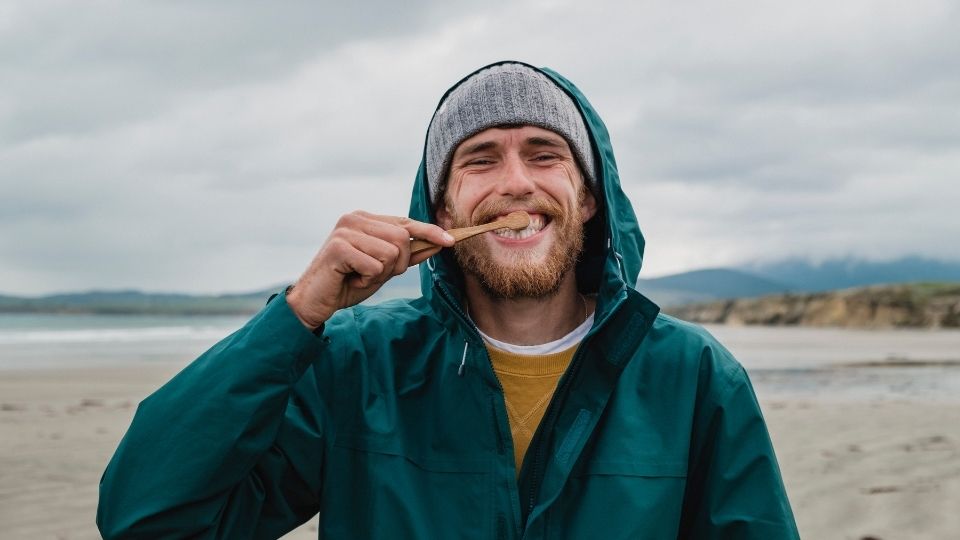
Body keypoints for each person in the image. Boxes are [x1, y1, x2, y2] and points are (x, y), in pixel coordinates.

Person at [97, 61, 799, 539]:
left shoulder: (693, 376)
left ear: (588, 200)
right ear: (441, 205)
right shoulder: (356, 364)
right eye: (481, 158)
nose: (516, 182)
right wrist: (298, 315)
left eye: (545, 153)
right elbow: (146, 519)